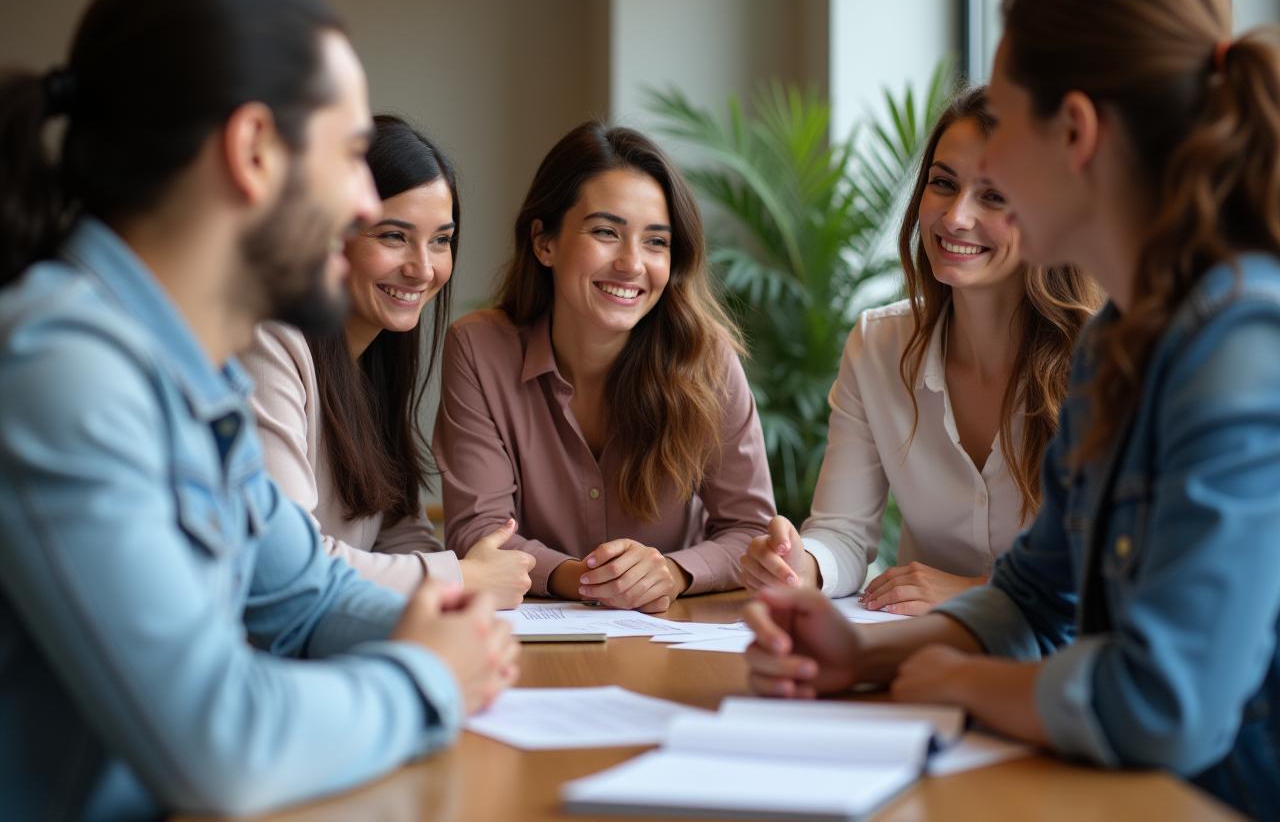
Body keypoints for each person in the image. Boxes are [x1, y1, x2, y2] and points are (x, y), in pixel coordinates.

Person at [743, 0, 1280, 817]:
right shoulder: (1121, 343)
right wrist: (861, 654)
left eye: (1005, 132)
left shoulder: (1245, 343)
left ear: (1075, 132)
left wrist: (960, 681)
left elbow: (1163, 705)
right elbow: (1035, 593)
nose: (977, 191)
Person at [0, 0, 517, 820]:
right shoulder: (62, 369)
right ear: (252, 152)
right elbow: (217, 745)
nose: (365, 204)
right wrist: (427, 675)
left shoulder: (190, 376)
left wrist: (441, 617)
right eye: (352, 155)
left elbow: (301, 597)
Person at [740, 87, 1100, 614]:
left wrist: (979, 592)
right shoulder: (879, 345)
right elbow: (842, 533)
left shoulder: (1098, 360)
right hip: (917, 650)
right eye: (942, 184)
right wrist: (801, 564)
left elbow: (1113, 572)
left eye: (994, 196)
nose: (955, 217)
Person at [436, 121, 776, 612]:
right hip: (531, 646)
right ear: (544, 242)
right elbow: (479, 533)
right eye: (605, 232)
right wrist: (589, 579)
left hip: (673, 637)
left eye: (656, 242)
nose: (632, 263)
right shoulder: (478, 350)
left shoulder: (709, 359)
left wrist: (673, 572)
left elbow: (751, 531)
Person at [242, 115, 534, 607]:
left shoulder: (376, 357)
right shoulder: (272, 340)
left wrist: (465, 577)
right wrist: (458, 578)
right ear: (332, 236)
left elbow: (399, 532)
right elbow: (287, 562)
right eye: (393, 236)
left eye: (441, 240)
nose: (423, 268)